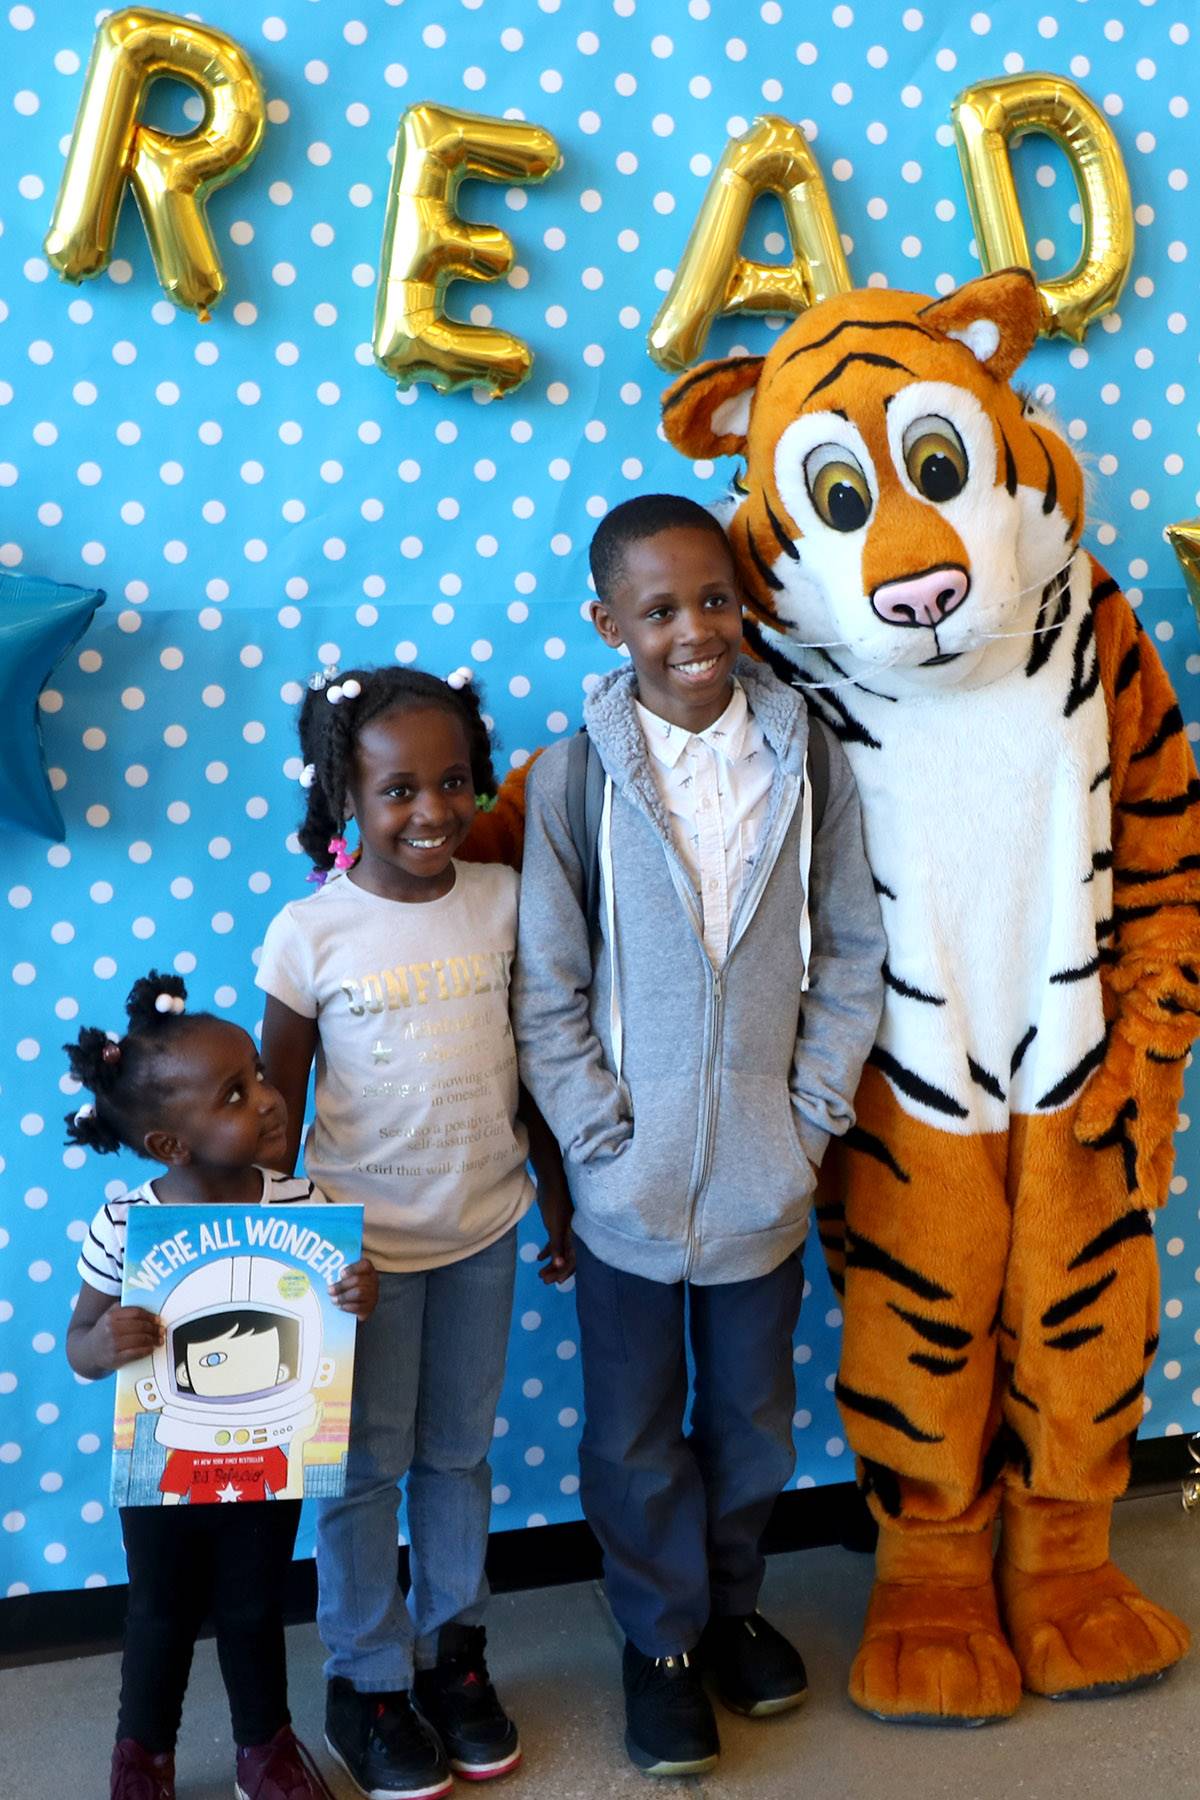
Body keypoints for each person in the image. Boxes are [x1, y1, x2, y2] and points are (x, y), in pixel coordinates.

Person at [512, 493, 886, 1776]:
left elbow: (849, 951)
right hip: (629, 1185)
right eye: (660, 609)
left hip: (764, 1180)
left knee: (753, 1417)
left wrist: (809, 1121)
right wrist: (597, 1141)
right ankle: (658, 1639)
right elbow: (548, 987)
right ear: (609, 623)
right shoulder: (575, 777)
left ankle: (731, 1610)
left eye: (714, 598)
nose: (694, 629)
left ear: (743, 600)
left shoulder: (805, 756)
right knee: (631, 1429)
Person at [258, 664, 571, 1800]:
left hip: (485, 1228)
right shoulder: (310, 934)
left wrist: (562, 1197)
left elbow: (531, 1068)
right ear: (346, 794)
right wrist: (274, 1259)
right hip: (359, 1260)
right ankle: (367, 1678)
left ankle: (455, 1657)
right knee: (361, 1471)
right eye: (397, 790)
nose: (430, 811)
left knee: (457, 1458)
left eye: (452, 783)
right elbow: (274, 1110)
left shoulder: (501, 899)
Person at [65, 969, 378, 1800]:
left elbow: (332, 1314)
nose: (271, 1100)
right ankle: (144, 1755)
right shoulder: (125, 1226)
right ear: (170, 1145)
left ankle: (264, 1747)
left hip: (267, 1454)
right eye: (237, 1094)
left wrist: (359, 1292)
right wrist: (104, 1340)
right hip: (165, 1462)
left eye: (262, 1076)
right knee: (160, 1613)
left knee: (253, 1604)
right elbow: (77, 1347)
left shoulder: (304, 1201)